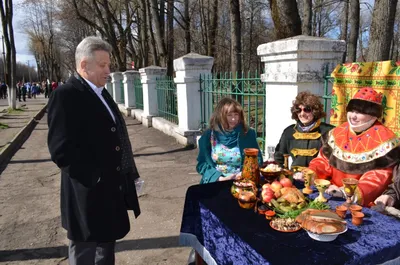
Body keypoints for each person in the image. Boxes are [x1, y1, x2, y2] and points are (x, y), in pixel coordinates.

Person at [47, 36, 141, 265]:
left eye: (108, 65)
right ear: (83, 65)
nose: (108, 70)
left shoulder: (101, 92)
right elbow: (61, 149)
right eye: (102, 65)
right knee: (85, 253)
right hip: (86, 195)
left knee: (106, 251)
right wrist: (95, 177)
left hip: (110, 192)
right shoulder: (66, 95)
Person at [294, 87, 400, 207]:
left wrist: (347, 192)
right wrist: (310, 173)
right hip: (330, 194)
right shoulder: (337, 133)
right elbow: (323, 161)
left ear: (373, 115)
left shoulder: (385, 140)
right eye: (351, 111)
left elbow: (377, 177)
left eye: (360, 112)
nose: (353, 116)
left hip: (363, 204)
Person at [196, 97, 263, 184]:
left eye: (236, 115)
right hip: (216, 183)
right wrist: (219, 178)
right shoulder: (209, 135)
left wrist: (244, 174)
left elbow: (257, 160)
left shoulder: (248, 133)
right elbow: (202, 164)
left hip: (242, 182)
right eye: (229, 115)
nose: (234, 119)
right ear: (220, 116)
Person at [274, 91, 334, 169]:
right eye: (299, 110)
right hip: (294, 178)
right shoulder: (289, 132)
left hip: (318, 179)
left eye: (307, 109)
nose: (302, 114)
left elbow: (334, 161)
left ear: (315, 111)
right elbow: (278, 158)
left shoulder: (328, 131)